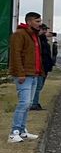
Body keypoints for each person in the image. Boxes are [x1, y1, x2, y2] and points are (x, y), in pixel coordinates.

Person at [8, 12, 43, 143]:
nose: (40, 24)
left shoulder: (34, 35)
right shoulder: (20, 34)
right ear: (29, 22)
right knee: (24, 103)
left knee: (28, 104)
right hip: (24, 75)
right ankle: (14, 132)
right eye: (37, 21)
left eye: (40, 22)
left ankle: (22, 131)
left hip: (33, 74)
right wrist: (20, 73)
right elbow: (15, 54)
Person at [30, 24, 56, 111]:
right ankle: (34, 104)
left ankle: (35, 102)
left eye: (45, 30)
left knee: (39, 86)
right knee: (38, 86)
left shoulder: (44, 40)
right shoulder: (37, 40)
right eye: (43, 29)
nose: (45, 31)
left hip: (45, 67)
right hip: (40, 67)